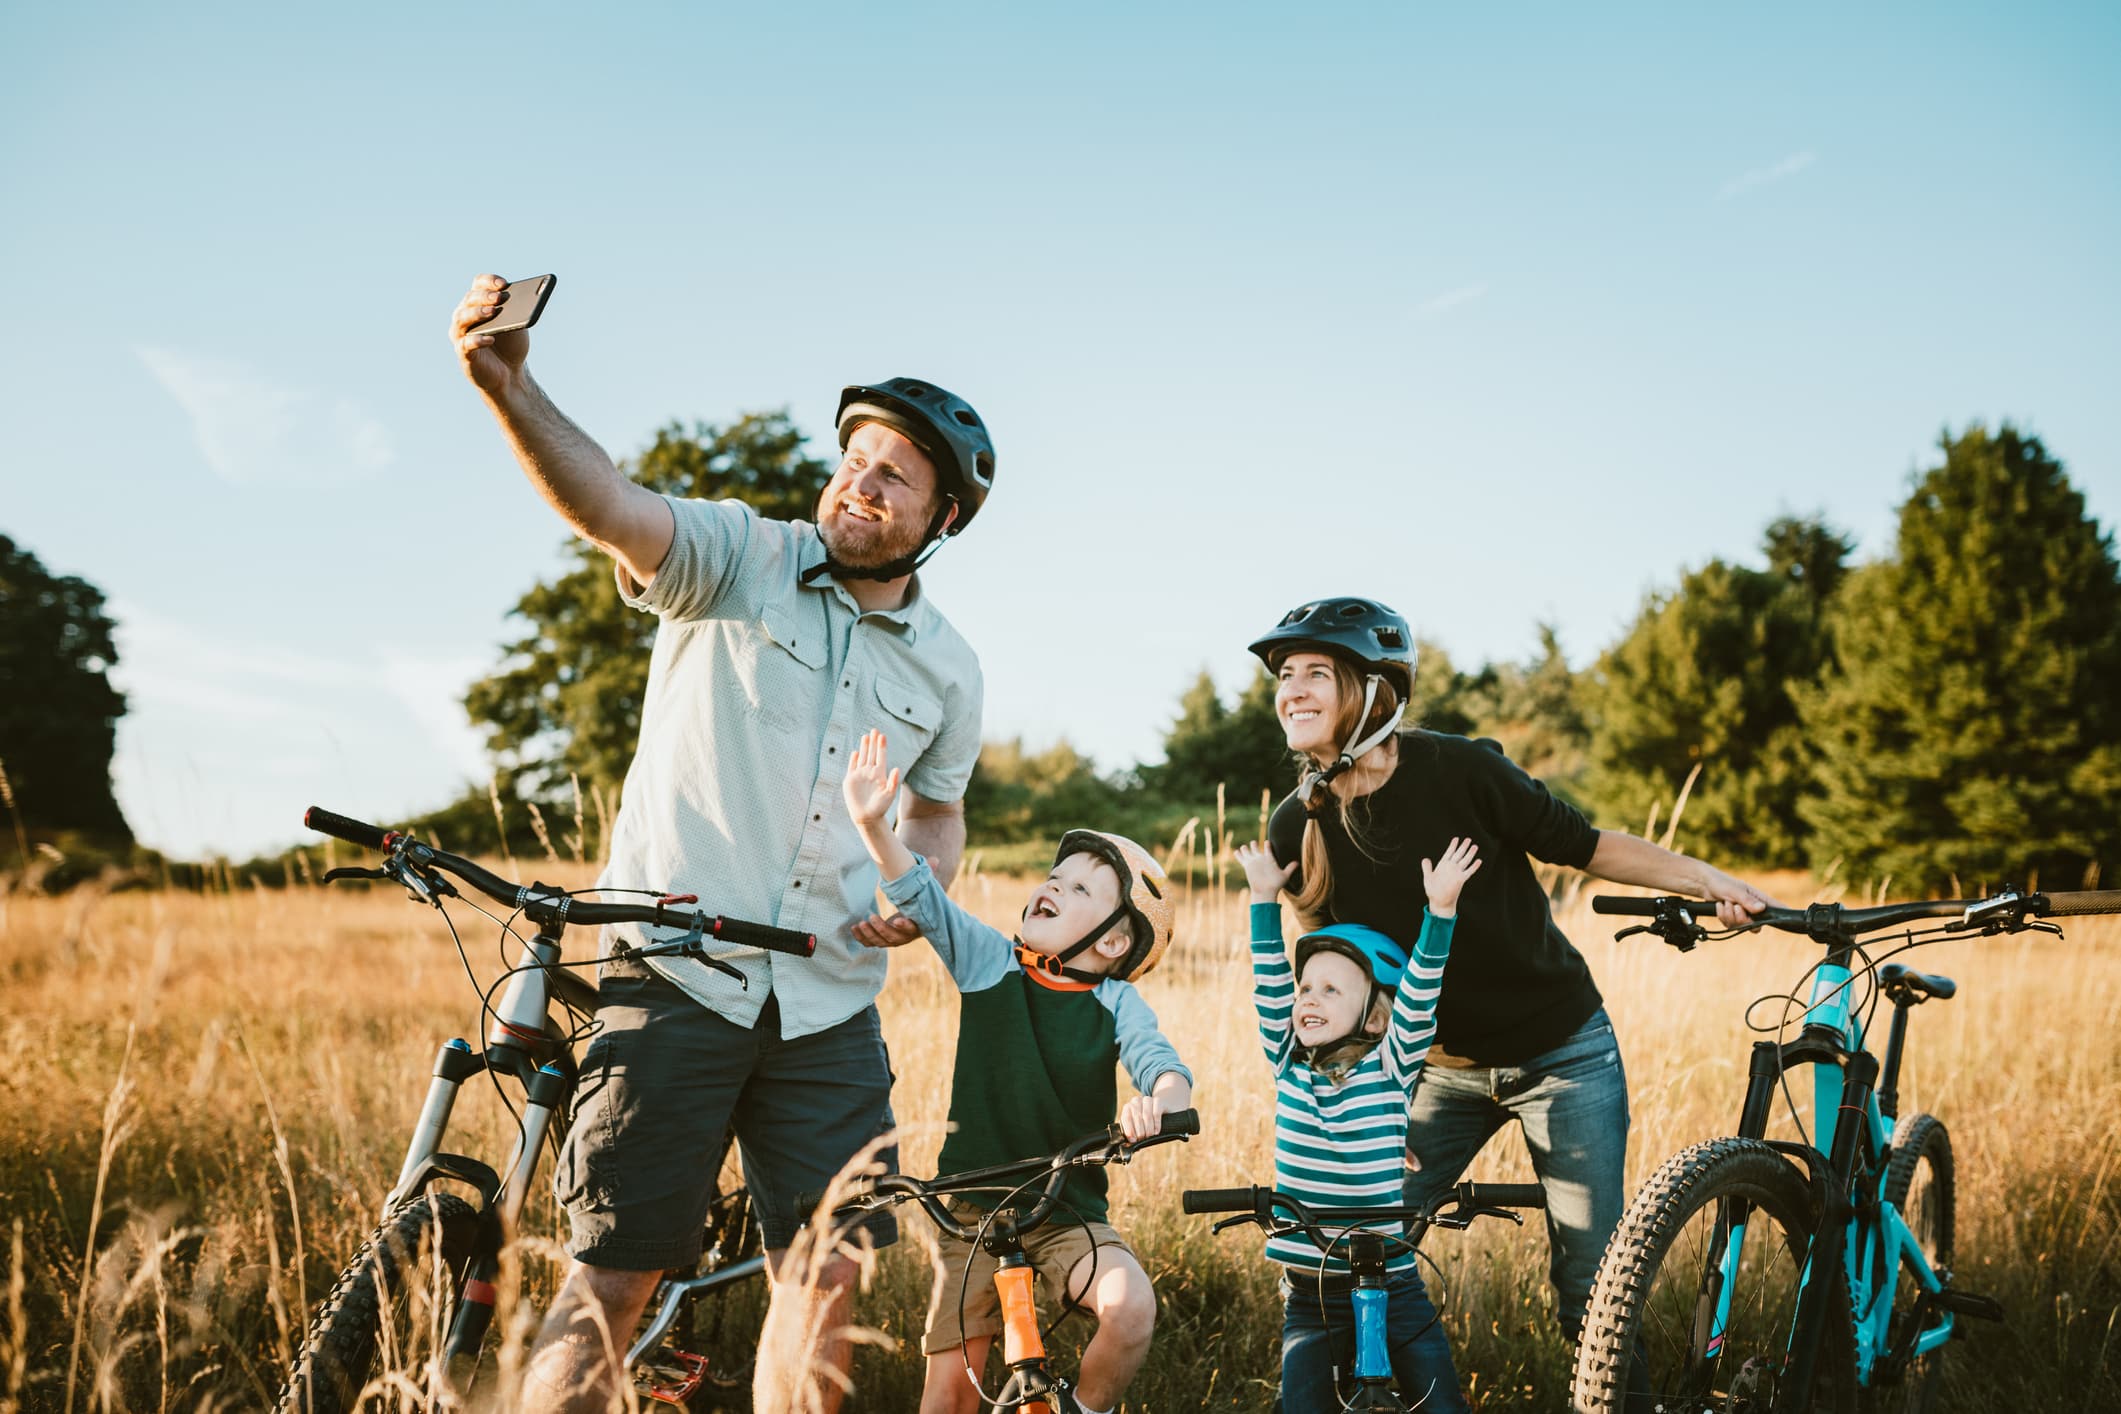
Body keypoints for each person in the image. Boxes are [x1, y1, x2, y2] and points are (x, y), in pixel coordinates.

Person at [451, 273, 993, 1413]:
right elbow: (607, 503)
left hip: (830, 1005)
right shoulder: (738, 554)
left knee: (829, 1276)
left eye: (894, 474)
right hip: (675, 975)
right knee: (617, 1274)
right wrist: (510, 390)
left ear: (943, 520)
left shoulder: (950, 669)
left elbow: (938, 815)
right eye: (854, 459)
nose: (860, 483)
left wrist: (919, 891)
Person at [1247, 596, 1776, 1348]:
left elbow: (1587, 846)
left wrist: (1707, 880)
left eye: (1315, 674)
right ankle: (1368, 1391)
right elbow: (1337, 990)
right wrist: (1363, 1105)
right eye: (1285, 676)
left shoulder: (1462, 771)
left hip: (1561, 1055)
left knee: (1593, 1293)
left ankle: (1614, 1397)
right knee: (1345, 1255)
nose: (1292, 691)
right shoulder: (1296, 824)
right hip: (1431, 1073)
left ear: (1372, 691)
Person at [842, 729, 1194, 1414]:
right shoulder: (988, 961)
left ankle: (1082, 1410)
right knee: (949, 1395)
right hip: (968, 1211)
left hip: (1068, 1214)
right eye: (1053, 877)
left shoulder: (1115, 1002)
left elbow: (1161, 1065)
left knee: (1130, 1307)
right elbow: (920, 894)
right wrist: (873, 824)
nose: (1052, 886)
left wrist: (1161, 1102)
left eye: (1080, 887)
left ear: (1113, 940)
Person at [1237, 834, 1482, 1413]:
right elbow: (1268, 980)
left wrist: (1441, 911)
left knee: (1440, 1403)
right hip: (1310, 1289)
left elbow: (1420, 993)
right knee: (1304, 1405)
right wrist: (1263, 900)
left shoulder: (1389, 1068)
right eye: (1305, 988)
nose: (1308, 998)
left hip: (1393, 1280)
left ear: (1374, 1017)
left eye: (1330, 990)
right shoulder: (1290, 1062)